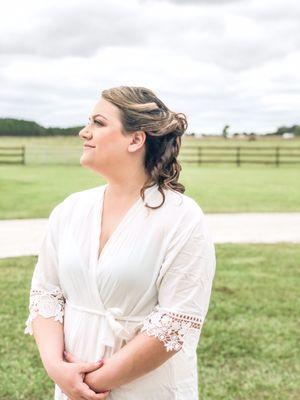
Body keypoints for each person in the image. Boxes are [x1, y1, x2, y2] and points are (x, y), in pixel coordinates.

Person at [24, 85, 216, 400]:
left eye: (98, 123)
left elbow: (176, 322)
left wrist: (94, 383)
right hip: (71, 384)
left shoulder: (182, 218)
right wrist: (58, 370)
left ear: (135, 139)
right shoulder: (70, 209)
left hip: (147, 388)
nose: (84, 132)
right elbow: (46, 293)